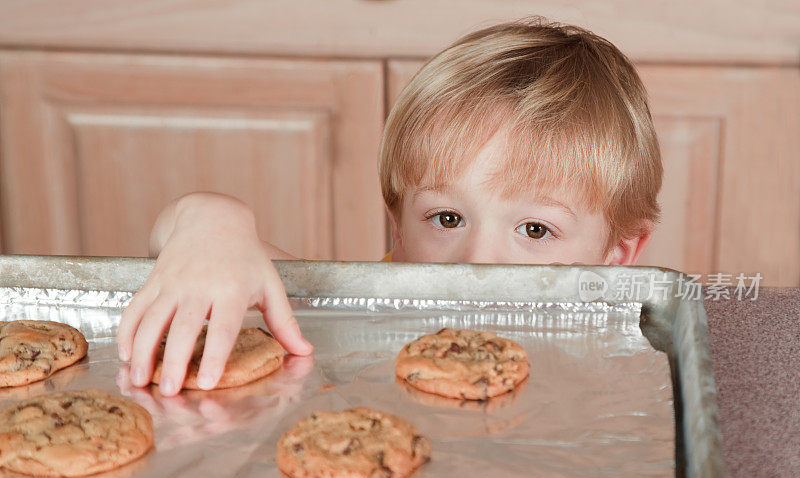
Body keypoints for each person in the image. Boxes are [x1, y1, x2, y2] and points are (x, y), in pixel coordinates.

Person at [117, 19, 663, 396]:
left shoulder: (625, 380)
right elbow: (213, 253)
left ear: (616, 255)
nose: (478, 264)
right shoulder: (356, 315)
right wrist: (211, 222)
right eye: (447, 218)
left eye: (536, 229)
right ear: (396, 225)